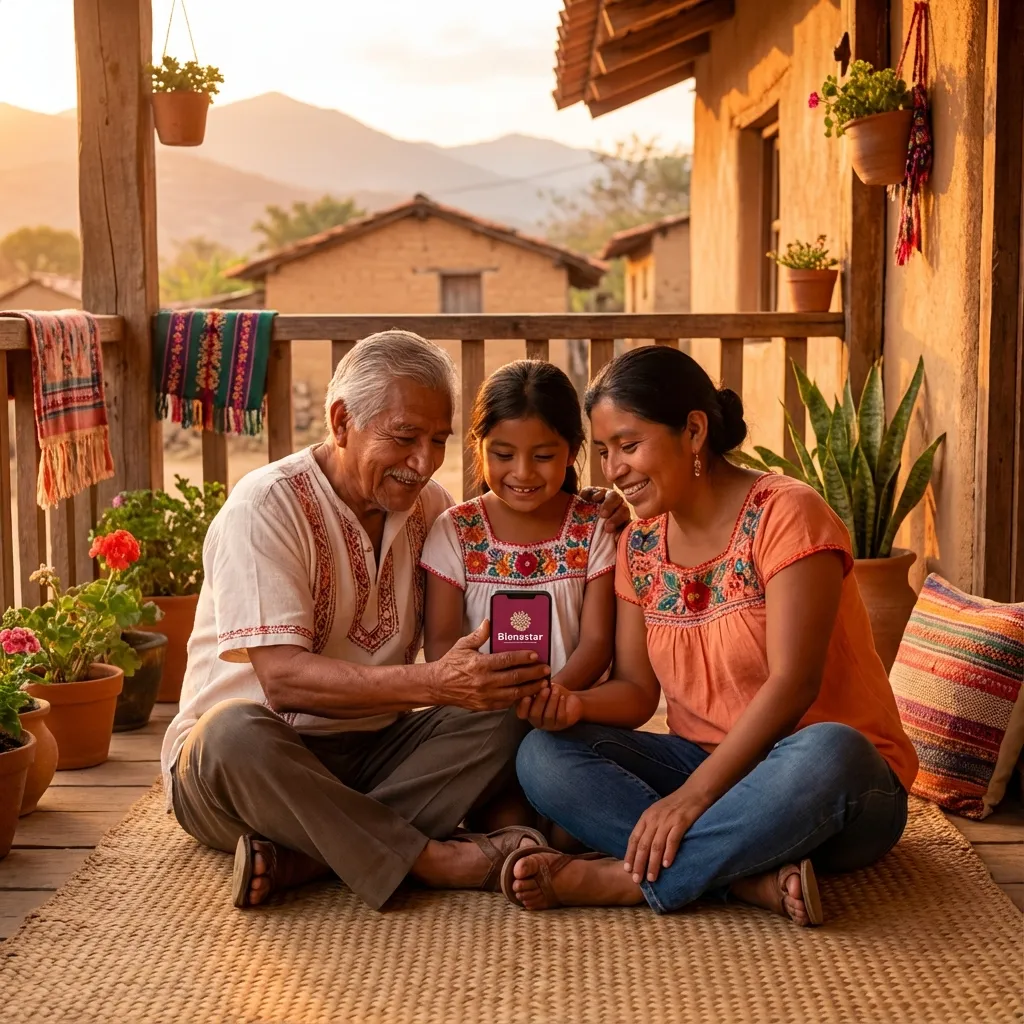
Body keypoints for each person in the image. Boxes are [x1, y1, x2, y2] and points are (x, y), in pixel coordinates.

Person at [159, 331, 626, 912]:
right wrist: (436, 684)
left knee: (510, 703)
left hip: (379, 753)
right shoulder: (266, 505)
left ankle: (312, 855)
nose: (424, 462)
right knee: (230, 732)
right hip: (256, 768)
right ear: (340, 421)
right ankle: (432, 860)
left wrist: (603, 505)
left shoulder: (428, 507)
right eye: (404, 438)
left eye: (437, 441)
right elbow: (282, 680)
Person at [505, 345, 917, 926]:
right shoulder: (639, 545)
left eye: (628, 444)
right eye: (602, 451)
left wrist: (691, 798)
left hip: (827, 786)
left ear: (694, 430)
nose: (612, 469)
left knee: (833, 749)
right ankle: (743, 879)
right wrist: (572, 704)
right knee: (545, 755)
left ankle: (624, 879)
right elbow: (633, 691)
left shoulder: (787, 514)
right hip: (703, 766)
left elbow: (794, 684)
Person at [420, 360, 616, 700]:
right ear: (478, 448)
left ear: (571, 452)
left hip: (567, 713)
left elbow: (597, 644)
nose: (523, 473)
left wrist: (550, 701)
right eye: (503, 454)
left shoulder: (595, 528)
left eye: (542, 456)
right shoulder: (455, 531)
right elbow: (441, 645)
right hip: (476, 716)